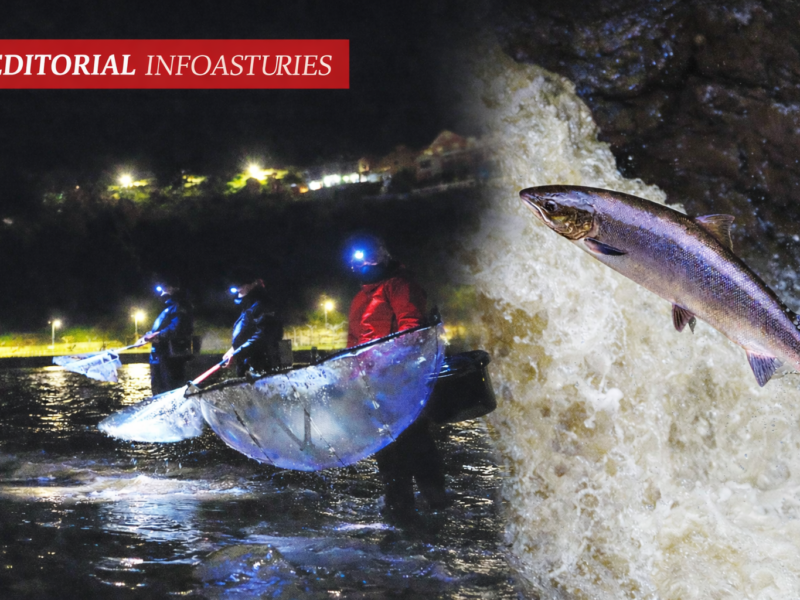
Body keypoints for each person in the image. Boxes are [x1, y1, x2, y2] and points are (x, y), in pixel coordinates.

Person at [346, 234, 448, 521]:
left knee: (413, 439)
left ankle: (434, 499)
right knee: (388, 445)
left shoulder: (400, 284)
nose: (367, 261)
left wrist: (386, 360)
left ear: (384, 254)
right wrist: (353, 374)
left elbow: (411, 327)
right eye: (361, 257)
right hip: (374, 385)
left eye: (373, 253)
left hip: (402, 379)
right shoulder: (360, 297)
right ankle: (398, 505)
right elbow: (353, 342)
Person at [222, 273, 284, 377]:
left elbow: (264, 336)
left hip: (262, 367)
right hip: (247, 368)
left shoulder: (264, 305)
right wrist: (234, 350)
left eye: (240, 286)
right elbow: (246, 333)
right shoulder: (248, 308)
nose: (238, 290)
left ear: (251, 285)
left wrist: (238, 354)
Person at [141, 279, 194, 395]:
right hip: (160, 356)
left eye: (165, 289)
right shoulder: (169, 307)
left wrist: (157, 335)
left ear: (172, 288)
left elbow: (178, 329)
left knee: (170, 388)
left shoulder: (180, 305)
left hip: (170, 357)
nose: (162, 293)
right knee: (159, 390)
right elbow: (165, 327)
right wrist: (149, 335)